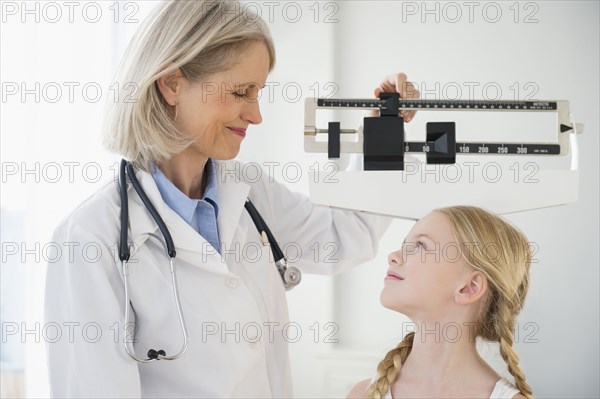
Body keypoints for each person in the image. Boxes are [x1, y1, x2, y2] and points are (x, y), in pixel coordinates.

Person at [44, 1, 420, 397]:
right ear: (172, 84)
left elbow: (344, 237)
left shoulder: (250, 192)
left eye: (257, 93)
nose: (256, 116)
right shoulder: (89, 238)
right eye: (241, 92)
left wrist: (385, 134)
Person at [347, 206, 533, 399]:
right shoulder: (360, 394)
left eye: (420, 245)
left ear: (469, 287)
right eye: (404, 245)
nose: (393, 256)